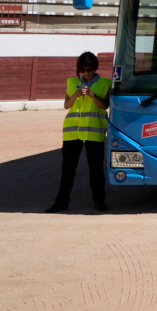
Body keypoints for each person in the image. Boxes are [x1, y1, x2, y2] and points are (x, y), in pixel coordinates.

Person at [47, 52, 111, 213]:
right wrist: (74, 96)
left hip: (94, 131)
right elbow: (66, 105)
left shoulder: (105, 83)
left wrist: (92, 95)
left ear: (95, 68)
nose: (86, 73)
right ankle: (61, 202)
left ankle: (99, 201)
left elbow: (105, 106)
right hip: (72, 131)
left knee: (95, 169)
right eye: (82, 70)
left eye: (89, 69)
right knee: (67, 169)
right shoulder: (72, 82)